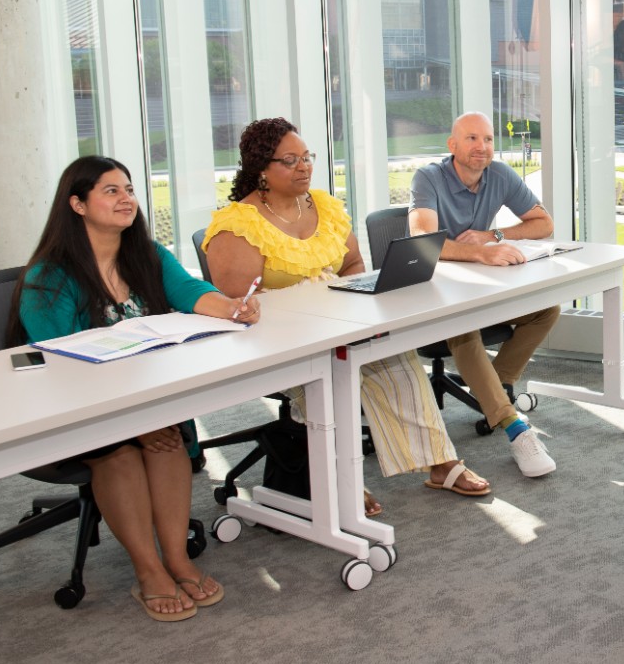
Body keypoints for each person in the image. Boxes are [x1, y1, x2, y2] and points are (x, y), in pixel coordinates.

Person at [11, 156, 258, 622]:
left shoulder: (147, 254)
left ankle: (177, 560)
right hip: (77, 407)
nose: (127, 198)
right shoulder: (49, 277)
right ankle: (148, 571)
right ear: (77, 204)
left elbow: (190, 291)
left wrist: (231, 307)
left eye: (128, 189)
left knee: (167, 440)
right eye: (111, 191)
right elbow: (62, 365)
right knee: (121, 453)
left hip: (145, 399)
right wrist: (133, 423)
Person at [203, 118, 490, 512]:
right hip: (281, 340)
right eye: (290, 160)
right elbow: (240, 303)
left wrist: (349, 297)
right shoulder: (237, 225)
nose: (304, 167)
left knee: (395, 356)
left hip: (339, 323)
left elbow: (353, 263)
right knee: (329, 375)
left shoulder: (322, 206)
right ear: (261, 169)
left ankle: (440, 462)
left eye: (307, 157)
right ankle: (338, 477)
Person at [409, 112, 561, 478]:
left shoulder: (500, 174)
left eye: (488, 139)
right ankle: (514, 426)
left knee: (546, 309)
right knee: (464, 328)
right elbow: (422, 241)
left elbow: (544, 223)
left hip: (478, 287)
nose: (482, 147)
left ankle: (496, 385)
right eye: (472, 138)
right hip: (433, 295)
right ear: (452, 145)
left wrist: (493, 236)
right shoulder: (428, 177)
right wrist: (480, 253)